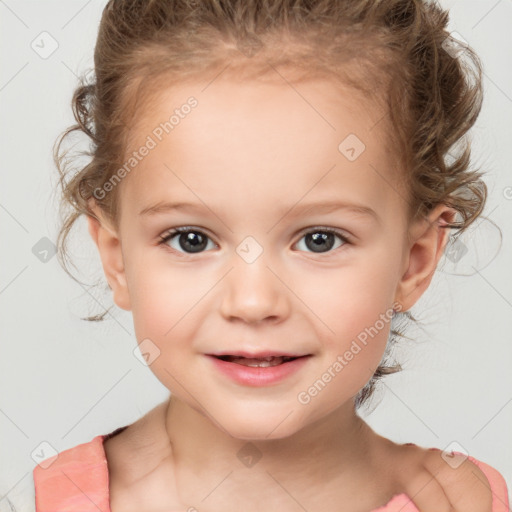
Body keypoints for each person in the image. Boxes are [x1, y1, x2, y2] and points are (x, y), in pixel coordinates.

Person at [31, 0, 509, 511]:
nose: (254, 302)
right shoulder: (47, 502)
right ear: (117, 257)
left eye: (319, 239)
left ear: (413, 261)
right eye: (191, 239)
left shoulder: (464, 503)